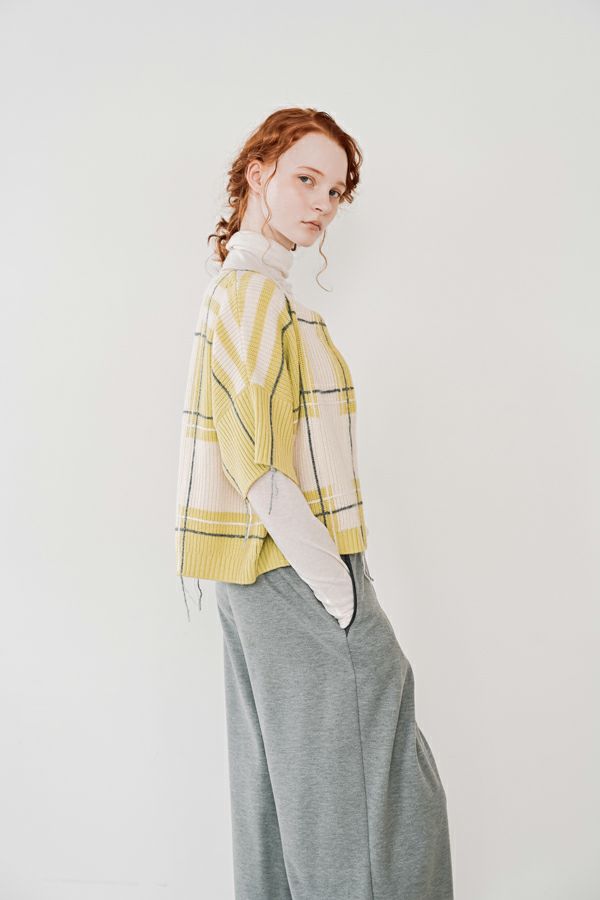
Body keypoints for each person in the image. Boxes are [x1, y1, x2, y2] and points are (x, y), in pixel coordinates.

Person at [174, 106, 454, 900]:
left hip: (256, 576)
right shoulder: (253, 296)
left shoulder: (248, 292)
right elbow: (258, 465)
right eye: (306, 179)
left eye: (335, 192)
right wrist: (342, 595)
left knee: (288, 803)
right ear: (257, 171)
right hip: (295, 571)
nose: (322, 204)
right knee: (380, 810)